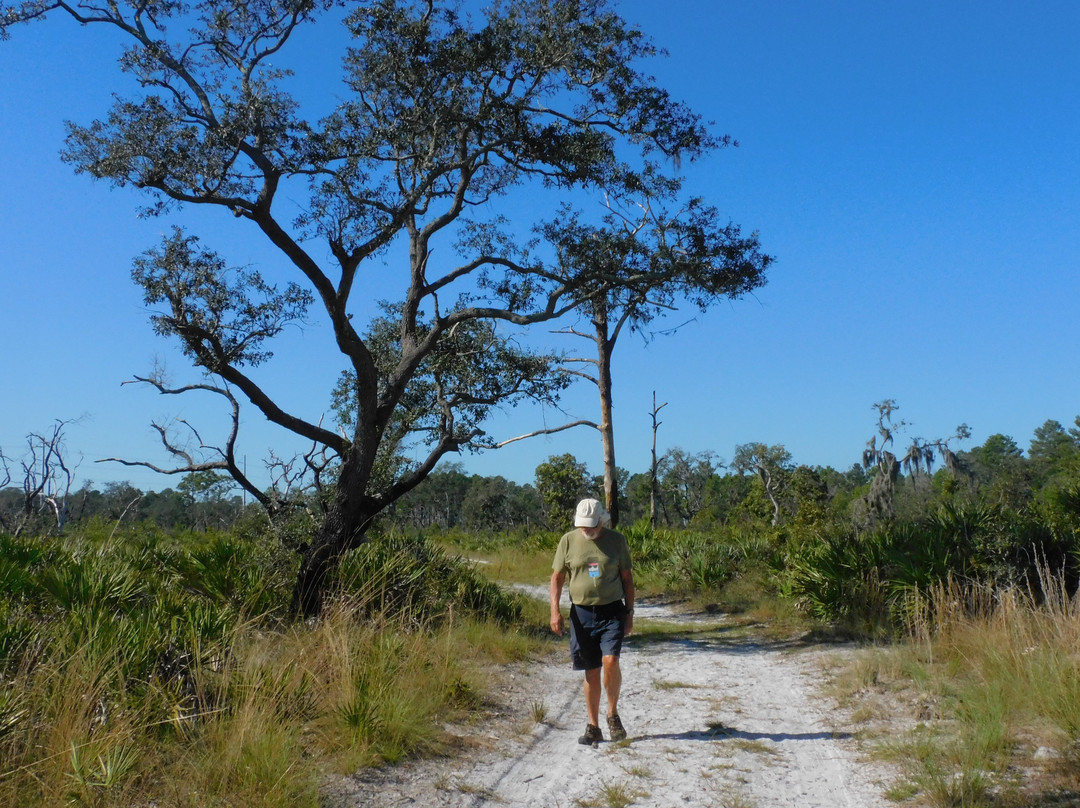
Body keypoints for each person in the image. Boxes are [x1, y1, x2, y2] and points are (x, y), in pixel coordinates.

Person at [549, 497, 635, 746]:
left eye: (591, 525)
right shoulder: (568, 541)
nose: (586, 530)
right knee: (591, 671)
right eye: (582, 526)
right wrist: (555, 611)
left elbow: (627, 579)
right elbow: (557, 578)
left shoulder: (617, 541)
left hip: (612, 612)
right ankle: (593, 726)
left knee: (611, 661)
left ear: (601, 520)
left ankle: (612, 713)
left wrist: (629, 613)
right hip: (581, 614)